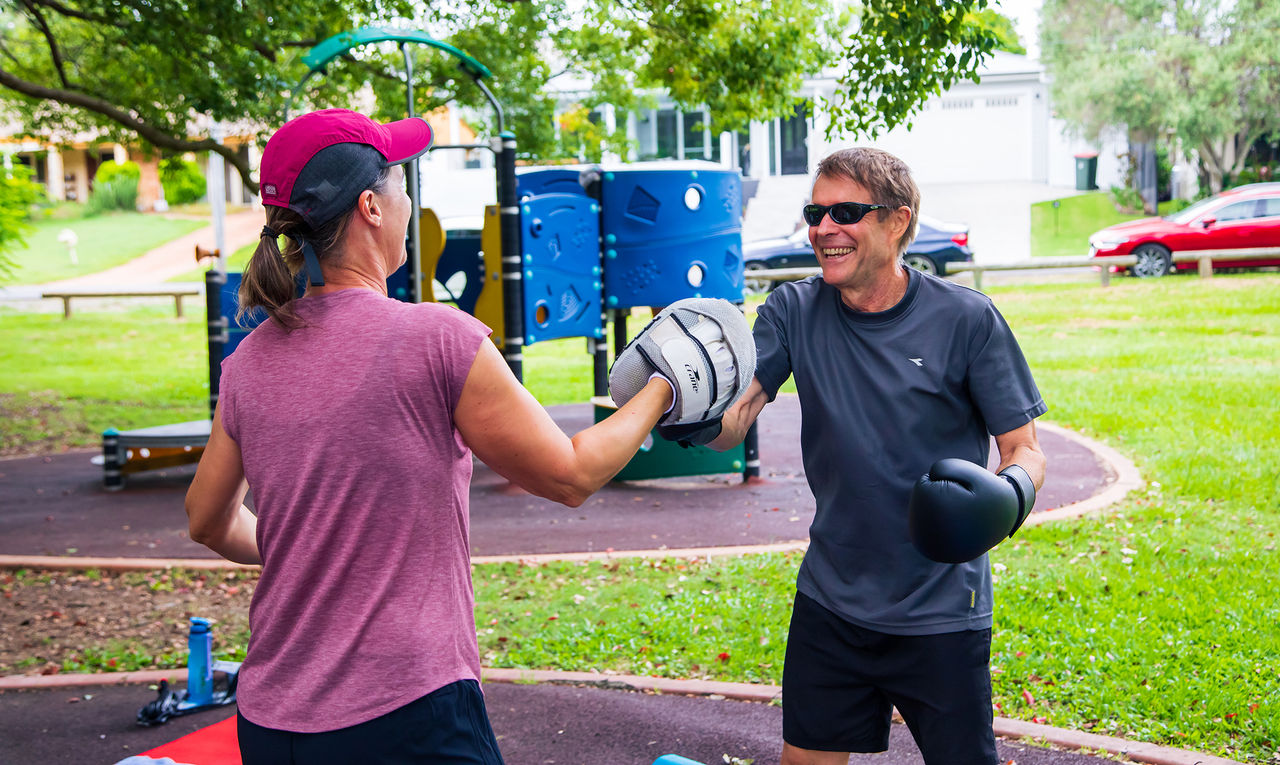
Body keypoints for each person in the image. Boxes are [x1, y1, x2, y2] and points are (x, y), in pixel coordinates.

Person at [184, 108, 738, 764]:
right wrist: (666, 385)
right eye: (399, 181)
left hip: (272, 723)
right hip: (403, 713)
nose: (408, 197)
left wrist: (302, 548)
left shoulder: (248, 362)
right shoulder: (433, 340)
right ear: (371, 207)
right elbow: (570, 473)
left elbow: (205, 520)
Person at [697, 147, 1047, 765]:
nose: (823, 229)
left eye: (846, 212)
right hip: (831, 601)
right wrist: (690, 410)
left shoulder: (967, 319)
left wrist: (1007, 495)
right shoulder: (792, 311)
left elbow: (1023, 448)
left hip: (940, 607)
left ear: (897, 222)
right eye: (816, 212)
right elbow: (736, 419)